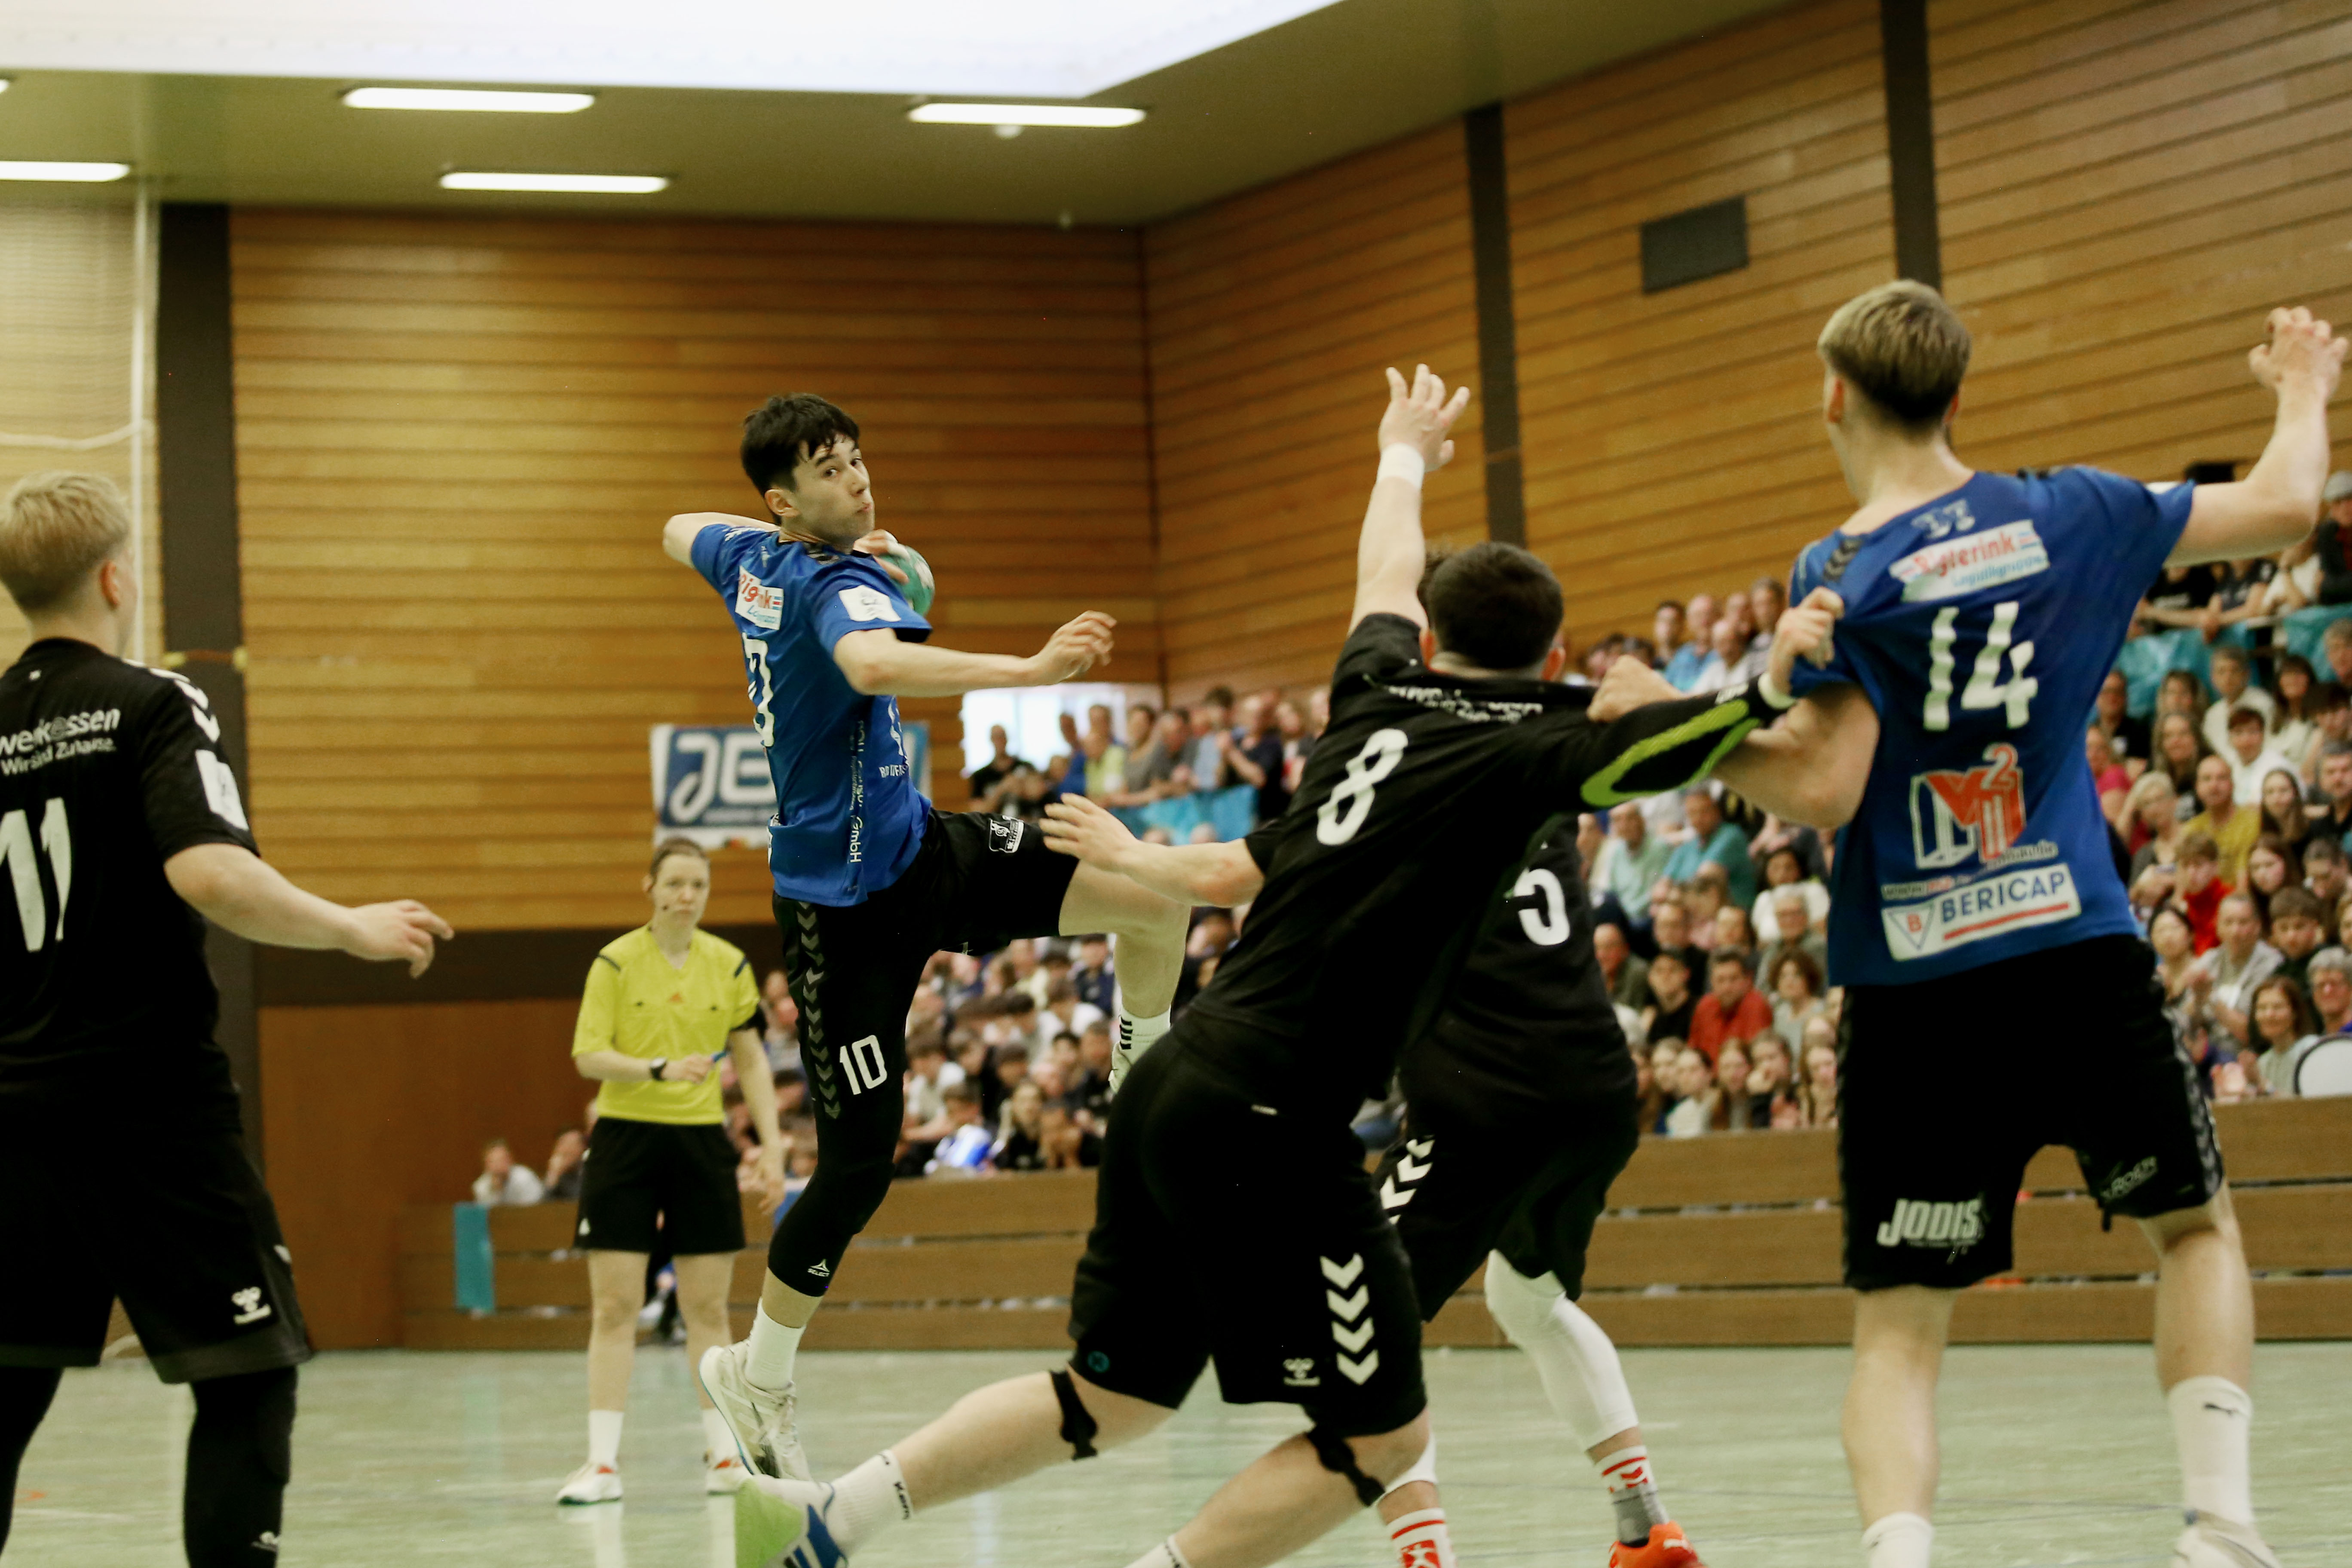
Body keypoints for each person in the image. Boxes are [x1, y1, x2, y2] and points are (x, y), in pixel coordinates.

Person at [729, 367, 1825, 1568]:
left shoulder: (1372, 687)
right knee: (1380, 1433)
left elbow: (1383, 572)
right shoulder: (1531, 758)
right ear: (1550, 655)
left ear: (1429, 639)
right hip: (1271, 1120)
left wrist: (1401, 455)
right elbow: (1673, 751)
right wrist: (1767, 685)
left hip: (1181, 1084)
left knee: (1111, 1396)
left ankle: (833, 1518)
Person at [1696, 286, 2342, 1568]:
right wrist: (2304, 385)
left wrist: (1697, 734)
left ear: (1834, 396)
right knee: (2193, 1229)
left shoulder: (1839, 574)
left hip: (1915, 987)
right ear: (1954, 396)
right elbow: (2284, 505)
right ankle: (2221, 1527)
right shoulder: (2075, 512)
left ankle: (1899, 1557)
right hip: (2072, 955)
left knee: (1900, 1323)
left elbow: (1821, 786)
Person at [661, 392, 1190, 1482]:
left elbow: (677, 528)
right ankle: (758, 1374)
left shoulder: (751, 556)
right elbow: (869, 666)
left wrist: (793, 545)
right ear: (784, 498)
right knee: (857, 1170)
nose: (858, 479)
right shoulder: (830, 588)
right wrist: (1028, 673)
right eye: (828, 469)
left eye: (856, 458)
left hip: (926, 851)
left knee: (1154, 892)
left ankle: (1141, 1077)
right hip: (838, 917)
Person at [0, 471, 454, 1567]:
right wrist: (350, 927)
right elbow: (208, 873)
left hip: (15, 1114)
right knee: (248, 1372)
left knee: (8, 1380)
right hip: (149, 1107)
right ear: (117, 579)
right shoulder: (155, 702)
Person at [557, 836, 783, 1504]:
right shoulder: (615, 962)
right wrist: (654, 1069)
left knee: (707, 1307)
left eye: (698, 885)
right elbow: (588, 1056)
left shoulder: (730, 965)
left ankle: (724, 1456)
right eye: (675, 883)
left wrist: (772, 1146)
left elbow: (751, 1060)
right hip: (624, 1141)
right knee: (615, 1306)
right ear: (650, 887)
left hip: (701, 1144)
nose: (686, 896)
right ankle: (601, 1465)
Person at [1657, 789, 1756, 911]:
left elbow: (1704, 879)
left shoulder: (1731, 835)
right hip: (1692, 912)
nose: (1699, 818)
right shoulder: (1688, 845)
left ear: (1716, 811)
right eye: (1693, 813)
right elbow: (1661, 889)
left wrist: (1674, 894)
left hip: (1733, 911)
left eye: (1704, 812)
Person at [1592, 800, 1673, 928]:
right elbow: (1612, 890)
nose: (1624, 825)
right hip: (1624, 918)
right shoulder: (1616, 852)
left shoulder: (1659, 848)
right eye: (1618, 820)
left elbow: (1661, 887)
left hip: (1650, 915)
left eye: (1630, 819)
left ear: (1641, 821)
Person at [2184, 753, 2260, 888]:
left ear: (2233, 784)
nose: (2214, 786)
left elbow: (2244, 886)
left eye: (2221, 778)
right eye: (2207, 779)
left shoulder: (2252, 822)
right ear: (2197, 787)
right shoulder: (2191, 829)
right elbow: (2184, 883)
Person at [1685, 948, 1771, 1066]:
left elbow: (1756, 1058)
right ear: (1712, 982)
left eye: (1734, 979)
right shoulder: (1705, 1006)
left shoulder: (1757, 1005)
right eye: (1721, 980)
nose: (1727, 987)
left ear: (1747, 980)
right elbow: (1693, 1051)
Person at [2245, 974, 2321, 1098]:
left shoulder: (2313, 1050)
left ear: (2295, 1013)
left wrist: (2265, 1086)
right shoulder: (2264, 1063)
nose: (2269, 1015)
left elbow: (2311, 1105)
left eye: (2278, 1007)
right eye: (2262, 1008)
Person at [2199, 646, 2276, 759]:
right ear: (2213, 678)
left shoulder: (2263, 704)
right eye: (2221, 672)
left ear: (2246, 675)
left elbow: (2270, 747)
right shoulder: (2212, 715)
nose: (2228, 678)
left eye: (2234, 671)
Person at [473, 1139, 545, 1206]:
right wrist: (497, 1191)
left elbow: (535, 1207)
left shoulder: (525, 1178)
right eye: (493, 1162)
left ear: (510, 1160)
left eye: (501, 1160)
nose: (498, 1165)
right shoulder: (481, 1186)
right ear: (486, 1165)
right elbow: (486, 1212)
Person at [544, 1127, 588, 1203]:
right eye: (563, 1145)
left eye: (572, 1145)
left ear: (583, 1148)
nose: (567, 1150)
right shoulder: (557, 1175)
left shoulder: (589, 1171)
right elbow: (544, 1206)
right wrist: (553, 1176)